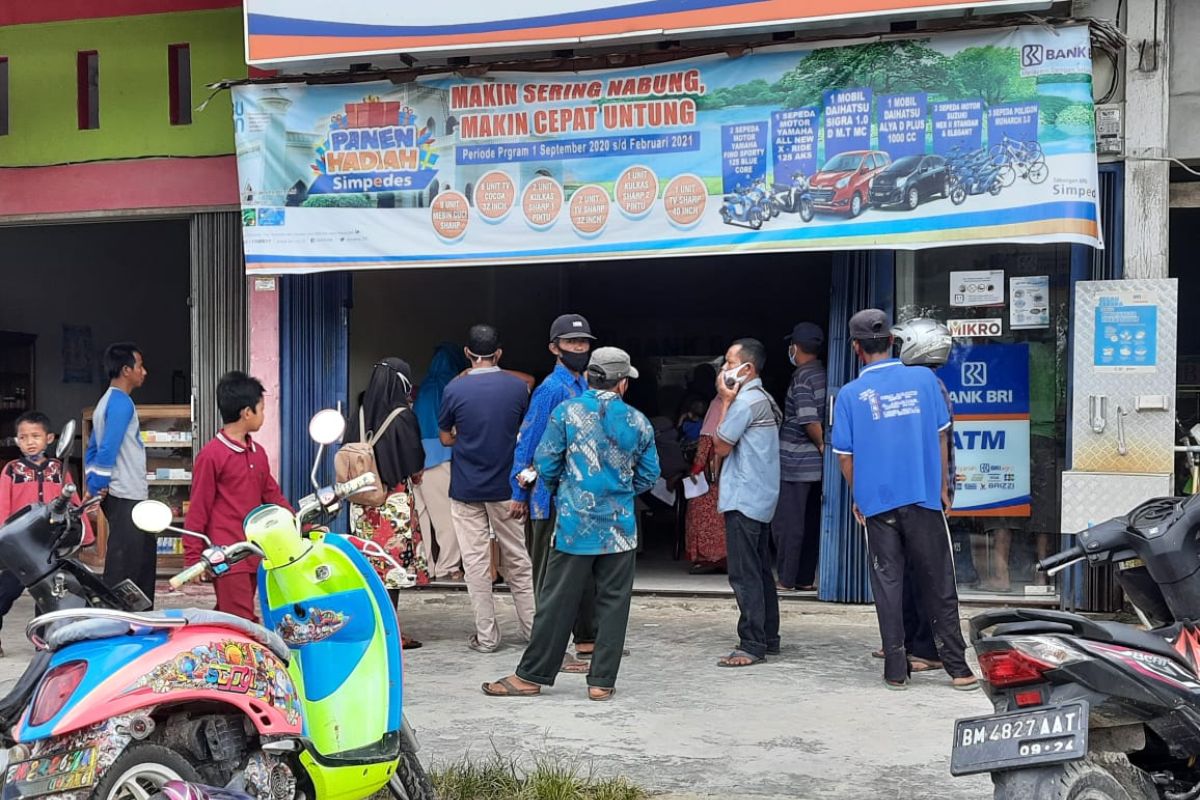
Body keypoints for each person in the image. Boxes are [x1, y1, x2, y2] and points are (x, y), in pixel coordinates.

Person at [482, 347, 660, 700]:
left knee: (555, 601)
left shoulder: (566, 412)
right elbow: (650, 474)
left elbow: (544, 462)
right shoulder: (638, 421)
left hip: (574, 526)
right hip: (620, 530)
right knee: (613, 603)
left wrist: (567, 490)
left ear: (591, 377)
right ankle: (601, 683)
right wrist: (619, 493)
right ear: (622, 384)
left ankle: (531, 676)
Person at [830, 308, 977, 691]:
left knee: (888, 584)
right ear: (893, 342)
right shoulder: (924, 381)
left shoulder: (849, 394)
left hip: (877, 503)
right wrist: (943, 486)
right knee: (939, 581)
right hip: (923, 497)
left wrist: (859, 495)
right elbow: (943, 434)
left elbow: (845, 456)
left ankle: (896, 669)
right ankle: (958, 669)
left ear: (856, 348)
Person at [438, 325, 535, 653]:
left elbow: (445, 437)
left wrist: (462, 437)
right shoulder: (517, 388)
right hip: (507, 487)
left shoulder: (454, 389)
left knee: (476, 565)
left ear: (467, 353)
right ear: (500, 353)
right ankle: (533, 632)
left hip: (466, 488)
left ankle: (487, 637)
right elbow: (521, 429)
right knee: (518, 560)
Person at [510, 313, 598, 662]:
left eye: (583, 343)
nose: (579, 348)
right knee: (549, 578)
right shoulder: (550, 389)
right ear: (554, 348)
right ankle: (550, 650)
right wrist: (519, 494)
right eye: (571, 343)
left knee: (585, 572)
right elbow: (527, 442)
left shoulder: (585, 386)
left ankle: (587, 639)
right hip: (548, 498)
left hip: (580, 498)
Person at [873, 317, 957, 673]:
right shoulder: (919, 383)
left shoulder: (928, 386)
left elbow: (939, 440)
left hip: (923, 493)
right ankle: (906, 642)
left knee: (926, 574)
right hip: (908, 490)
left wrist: (942, 489)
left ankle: (929, 650)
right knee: (905, 572)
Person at [184, 372, 290, 621]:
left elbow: (272, 495)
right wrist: (192, 556)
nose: (264, 415)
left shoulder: (258, 453)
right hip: (226, 555)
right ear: (247, 412)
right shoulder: (212, 455)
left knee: (228, 615)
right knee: (242, 621)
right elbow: (198, 507)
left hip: (255, 551)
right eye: (262, 409)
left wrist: (297, 523)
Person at [712, 338, 783, 667]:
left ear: (747, 368)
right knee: (760, 571)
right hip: (761, 496)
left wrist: (724, 401)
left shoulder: (745, 402)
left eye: (728, 362)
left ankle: (751, 642)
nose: (724, 369)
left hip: (744, 497)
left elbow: (721, 444)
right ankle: (768, 636)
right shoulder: (763, 398)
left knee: (744, 574)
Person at [351, 358, 428, 648]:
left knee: (368, 565)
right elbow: (414, 462)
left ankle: (372, 626)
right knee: (392, 569)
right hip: (392, 503)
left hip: (362, 502)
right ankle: (389, 631)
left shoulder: (358, 413)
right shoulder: (403, 417)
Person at [0, 411, 91, 655]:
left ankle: (45, 642)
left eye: (35, 436)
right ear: (16, 441)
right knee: (4, 591)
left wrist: (84, 535)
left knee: (50, 596)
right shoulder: (11, 470)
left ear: (49, 438)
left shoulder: (58, 469)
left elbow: (72, 500)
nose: (29, 441)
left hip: (51, 547)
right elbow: (2, 506)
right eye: (23, 437)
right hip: (19, 547)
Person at [86, 343, 153, 603]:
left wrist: (95, 485)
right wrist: (98, 486)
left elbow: (93, 449)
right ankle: (120, 620)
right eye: (140, 366)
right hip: (126, 494)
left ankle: (134, 619)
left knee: (138, 558)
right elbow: (107, 449)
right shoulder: (121, 403)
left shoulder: (105, 402)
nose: (144, 372)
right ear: (126, 370)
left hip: (121, 494)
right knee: (128, 566)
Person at [774, 323, 826, 593]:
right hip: (815, 468)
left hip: (796, 464)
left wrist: (821, 444)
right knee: (810, 522)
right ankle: (804, 578)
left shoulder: (803, 377)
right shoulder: (821, 374)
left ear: (796, 347)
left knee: (789, 524)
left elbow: (808, 418)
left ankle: (786, 579)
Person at [413, 342, 467, 580]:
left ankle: (426, 566)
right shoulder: (451, 387)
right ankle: (447, 566)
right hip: (441, 458)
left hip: (418, 460)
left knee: (421, 517)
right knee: (446, 518)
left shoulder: (424, 388)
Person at [684, 398, 727, 574]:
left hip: (711, 480)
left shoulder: (717, 408)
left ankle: (707, 558)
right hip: (728, 478)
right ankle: (723, 557)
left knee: (699, 509)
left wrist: (694, 471)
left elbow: (704, 450)